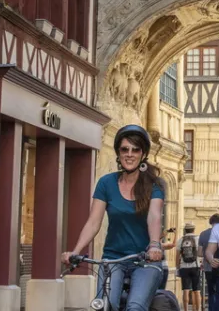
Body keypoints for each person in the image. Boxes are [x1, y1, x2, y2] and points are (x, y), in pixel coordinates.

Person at [63, 125, 165, 311]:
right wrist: (75, 251)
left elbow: (154, 216)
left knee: (135, 307)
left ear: (143, 154)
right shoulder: (106, 183)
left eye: (135, 150)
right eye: (124, 149)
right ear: (118, 152)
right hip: (113, 259)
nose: (129, 154)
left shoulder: (154, 184)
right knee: (104, 306)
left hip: (145, 260)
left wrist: (154, 245)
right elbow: (93, 222)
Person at [200, 213, 219, 311]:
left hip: (208, 267)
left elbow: (199, 252)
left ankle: (211, 309)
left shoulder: (203, 233)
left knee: (210, 291)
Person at [178, 222, 202, 311]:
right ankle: (197, 309)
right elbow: (200, 253)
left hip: (184, 267)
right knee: (197, 290)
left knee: (185, 290)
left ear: (185, 230)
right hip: (195, 266)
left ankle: (185, 309)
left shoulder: (181, 240)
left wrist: (178, 267)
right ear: (193, 229)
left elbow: (178, 256)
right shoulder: (197, 239)